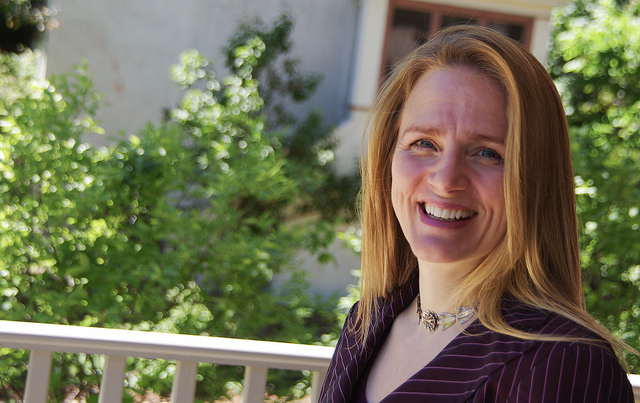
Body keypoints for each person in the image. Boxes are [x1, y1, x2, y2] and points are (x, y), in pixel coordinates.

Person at [319, 25, 636, 402]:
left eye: (488, 153)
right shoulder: (365, 324)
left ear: (533, 179)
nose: (446, 179)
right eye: (423, 143)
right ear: (387, 158)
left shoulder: (563, 364)